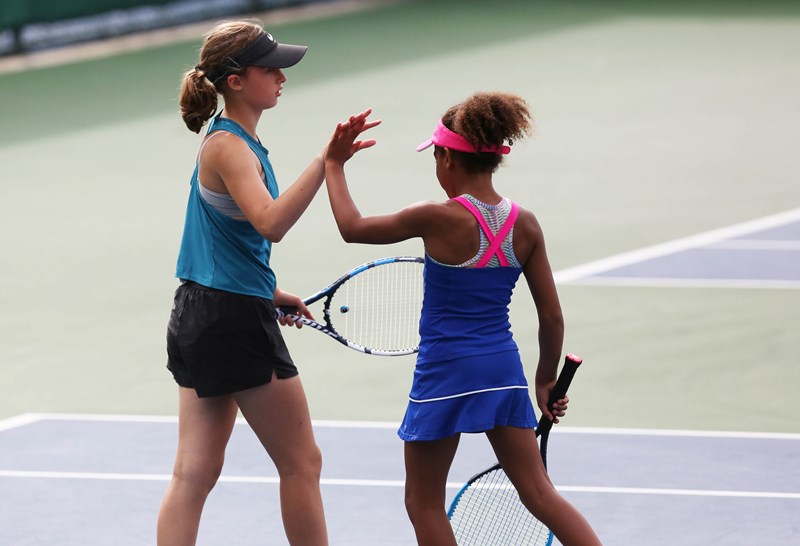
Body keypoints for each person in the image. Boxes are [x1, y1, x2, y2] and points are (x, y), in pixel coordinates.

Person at [323, 93, 603, 545]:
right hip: (502, 370)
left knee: (423, 503)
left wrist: (333, 164)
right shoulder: (525, 224)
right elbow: (551, 316)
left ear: (447, 157)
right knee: (538, 492)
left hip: (446, 371)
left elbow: (352, 228)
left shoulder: (435, 216)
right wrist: (545, 380)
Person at [158, 20, 330, 546]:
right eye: (268, 68)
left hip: (199, 309)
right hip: (231, 319)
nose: (281, 76)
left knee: (195, 471)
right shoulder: (229, 147)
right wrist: (328, 161)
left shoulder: (233, 141)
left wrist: (270, 291)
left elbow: (217, 240)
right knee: (301, 462)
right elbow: (270, 222)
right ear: (235, 80)